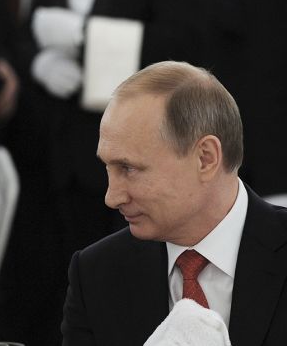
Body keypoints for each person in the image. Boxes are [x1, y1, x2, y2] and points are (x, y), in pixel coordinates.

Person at [61, 61, 287, 345]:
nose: (112, 197)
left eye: (129, 169)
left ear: (205, 158)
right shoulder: (96, 275)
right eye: (108, 168)